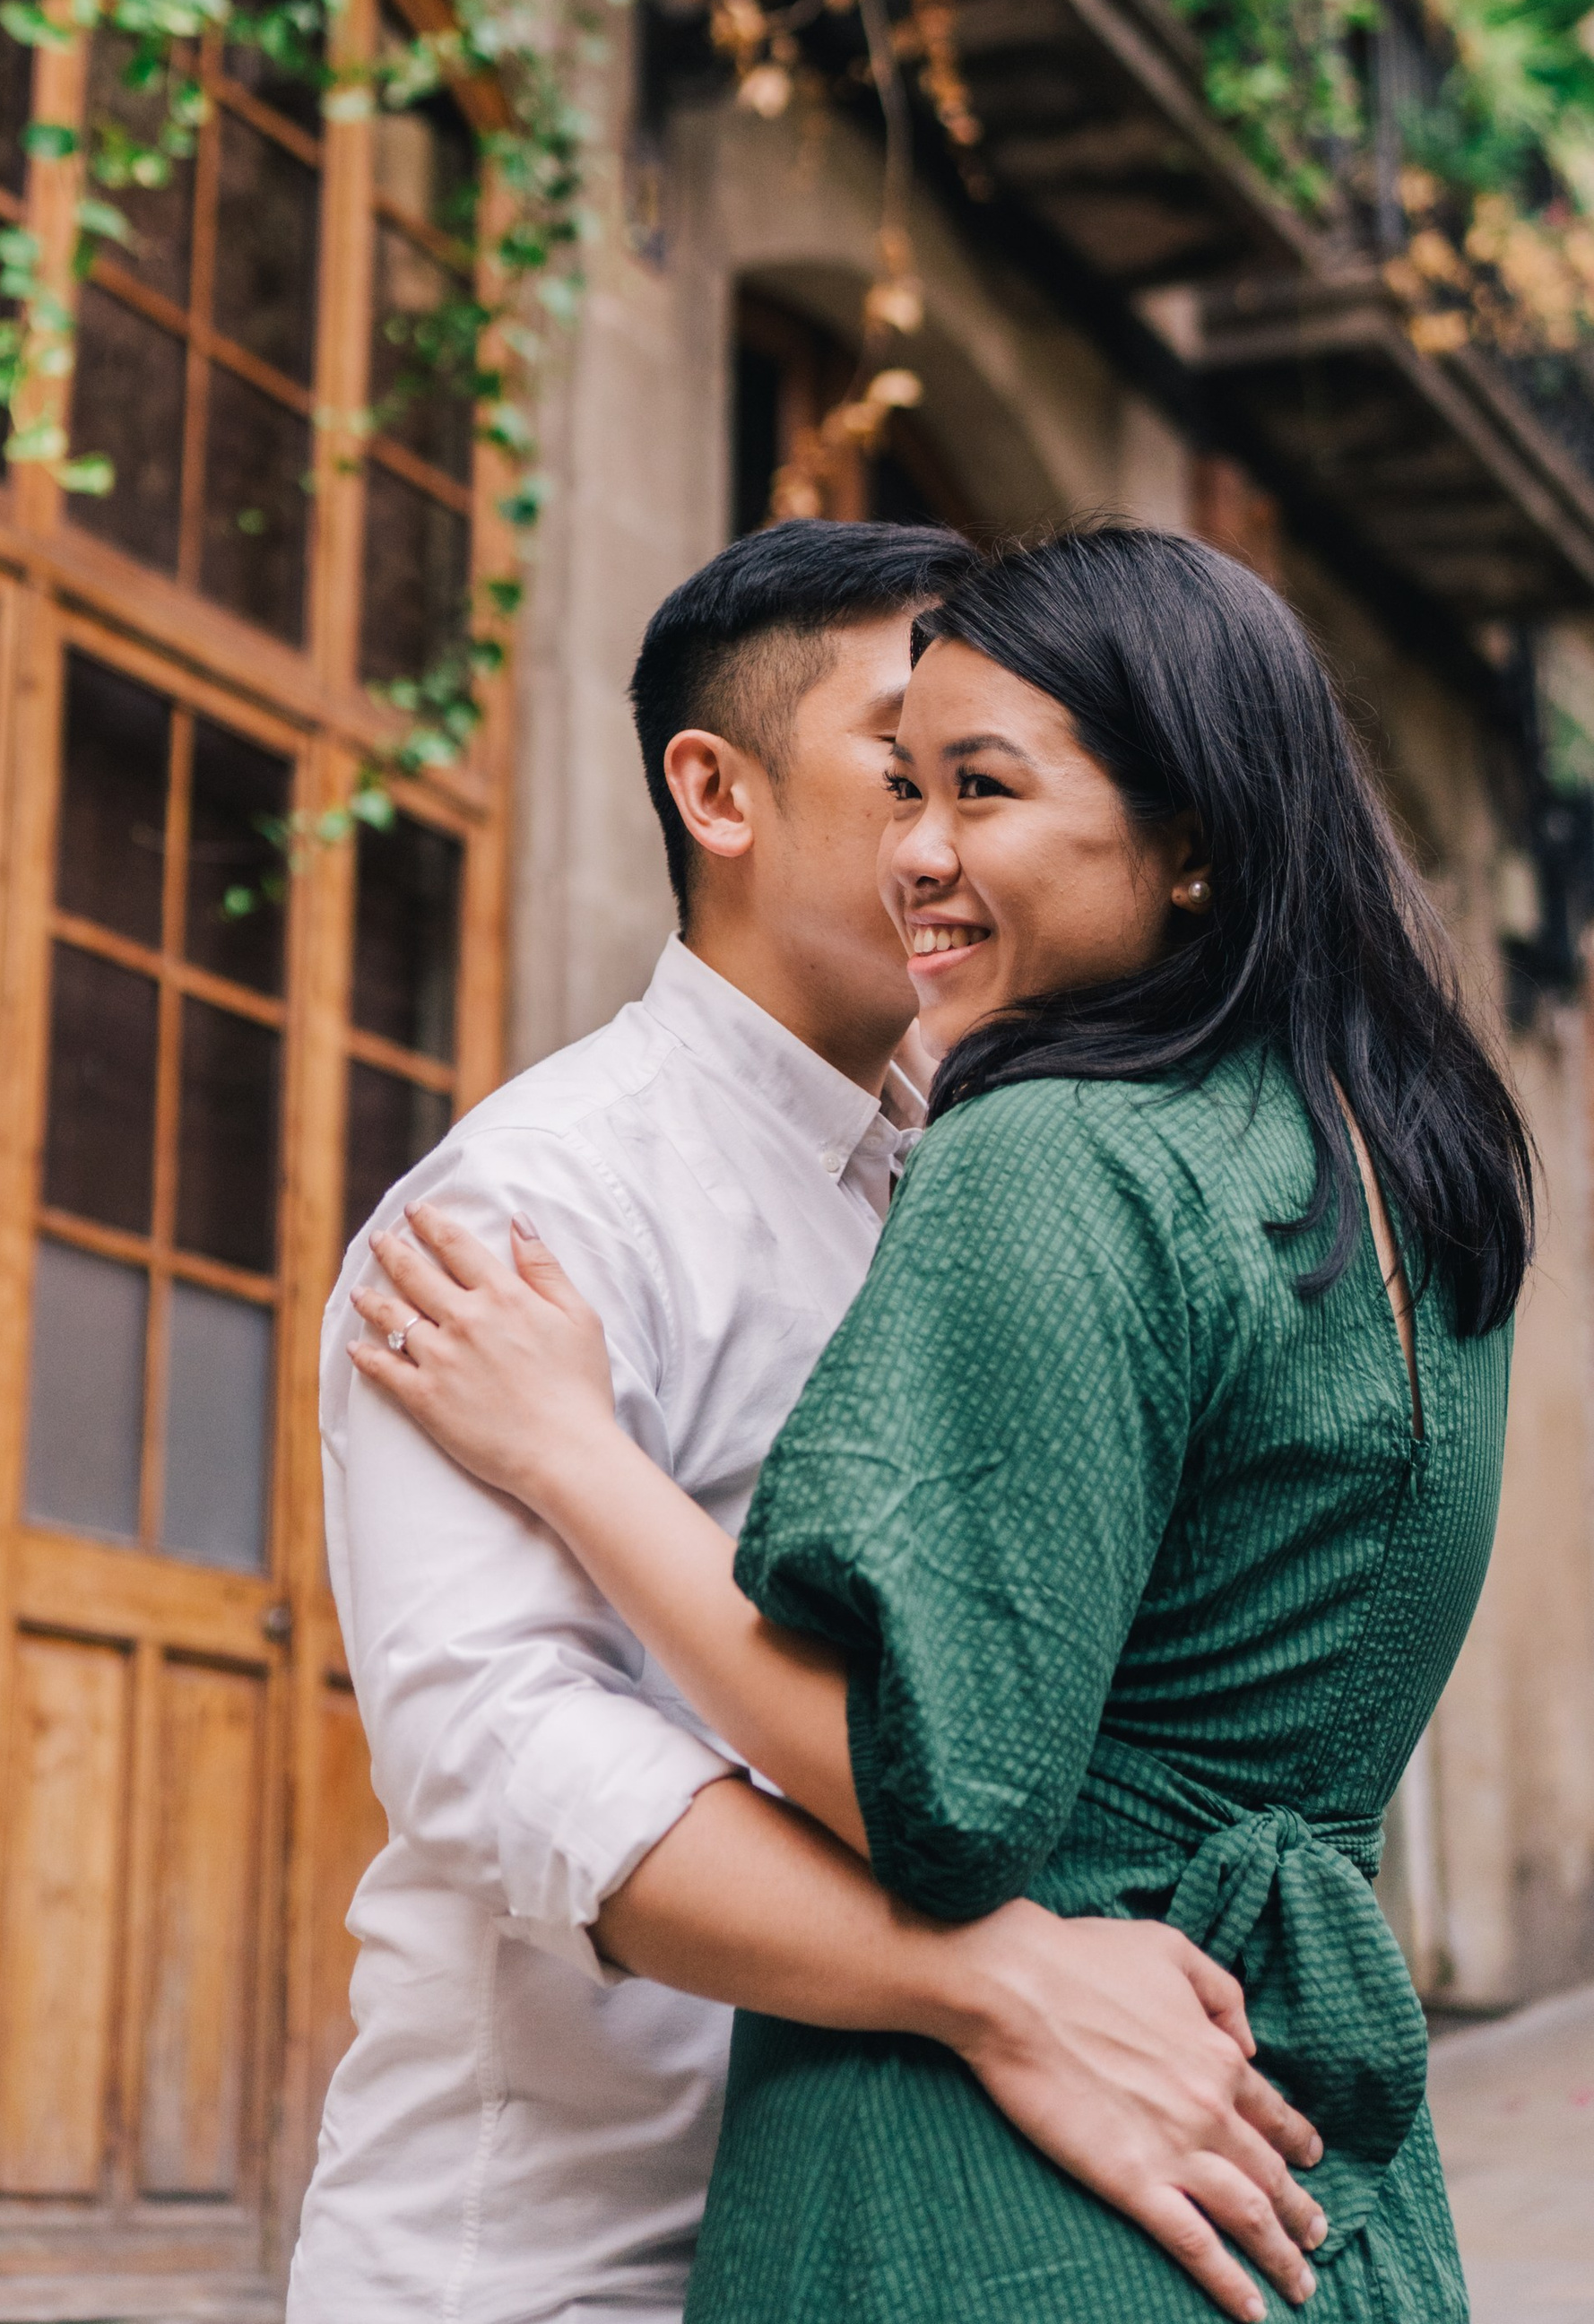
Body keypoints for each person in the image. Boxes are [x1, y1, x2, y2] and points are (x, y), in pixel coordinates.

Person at [354, 521, 1529, 2324]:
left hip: (1015, 2154)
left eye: (981, 780)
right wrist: (989, 1980)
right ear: (717, 795)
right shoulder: (532, 1209)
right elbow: (497, 1753)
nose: (924, 841)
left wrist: (1012, 1993)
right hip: (574, 2234)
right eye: (902, 769)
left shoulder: (1053, 1151)